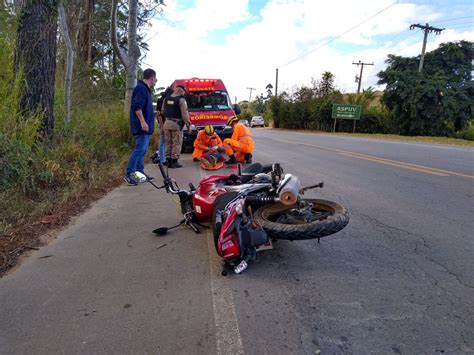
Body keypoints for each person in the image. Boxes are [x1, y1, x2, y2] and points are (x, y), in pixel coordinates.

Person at [124, 69, 157, 186]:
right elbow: (137, 107)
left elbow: (143, 108)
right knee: (139, 150)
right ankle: (130, 174)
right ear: (152, 78)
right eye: (155, 79)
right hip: (141, 127)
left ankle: (140, 173)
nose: (155, 81)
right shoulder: (141, 88)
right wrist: (143, 122)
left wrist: (153, 114)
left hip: (146, 128)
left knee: (142, 151)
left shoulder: (145, 90)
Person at [162, 85, 191, 168]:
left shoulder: (166, 99)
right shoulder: (181, 100)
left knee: (168, 143)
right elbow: (185, 115)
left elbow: (163, 112)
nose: (183, 94)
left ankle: (168, 161)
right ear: (179, 90)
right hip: (176, 125)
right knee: (176, 143)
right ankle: (174, 162)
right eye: (183, 92)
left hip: (167, 124)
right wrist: (188, 126)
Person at [151, 86, 173, 165]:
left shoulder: (165, 99)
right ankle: (162, 159)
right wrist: (162, 125)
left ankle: (162, 157)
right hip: (162, 123)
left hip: (166, 123)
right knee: (163, 141)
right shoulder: (161, 100)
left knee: (165, 141)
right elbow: (159, 114)